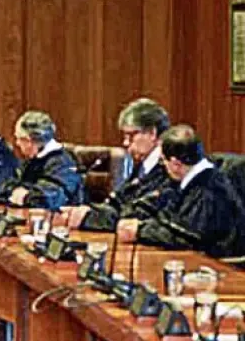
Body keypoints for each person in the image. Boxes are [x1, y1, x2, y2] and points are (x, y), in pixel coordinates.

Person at [118, 125, 245, 258]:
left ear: (175, 164)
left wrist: (140, 231)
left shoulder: (209, 190)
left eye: (163, 160)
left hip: (218, 265)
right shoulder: (185, 182)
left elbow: (188, 238)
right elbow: (168, 218)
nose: (163, 166)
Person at [65, 98, 174, 231]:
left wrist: (89, 217)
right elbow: (119, 202)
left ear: (152, 133)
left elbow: (138, 216)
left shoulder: (169, 169)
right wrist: (86, 210)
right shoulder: (143, 166)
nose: (125, 143)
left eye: (131, 136)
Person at [2, 111, 85, 209]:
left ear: (29, 141)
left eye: (19, 139)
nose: (17, 143)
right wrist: (16, 193)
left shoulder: (63, 164)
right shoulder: (32, 160)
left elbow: (48, 199)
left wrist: (25, 196)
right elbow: (6, 188)